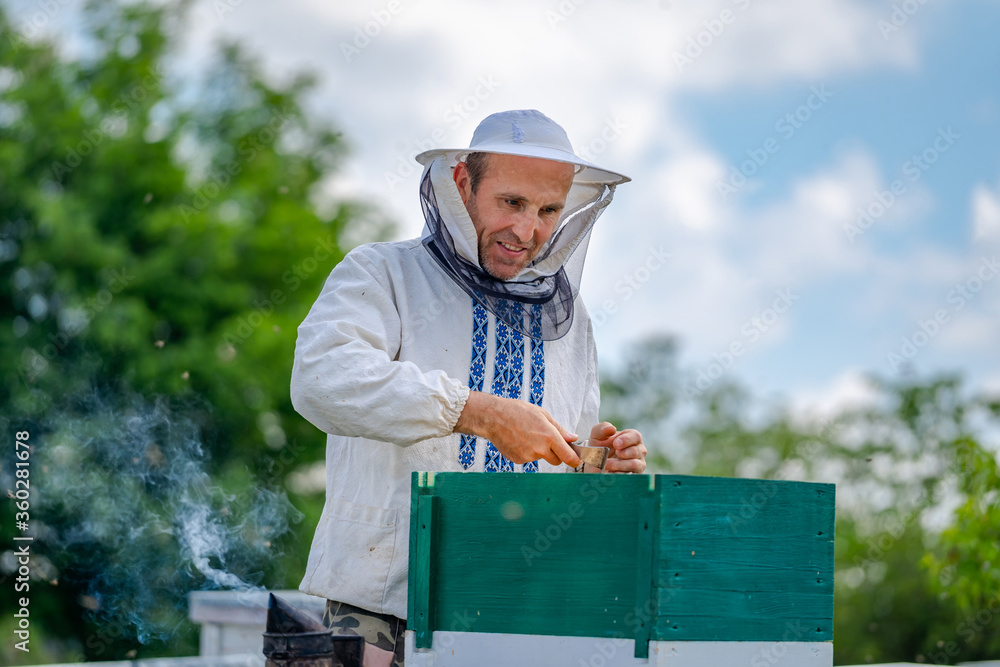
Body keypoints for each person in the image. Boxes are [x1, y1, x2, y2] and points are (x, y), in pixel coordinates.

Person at [290, 109, 646, 666]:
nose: (527, 231)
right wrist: (474, 411)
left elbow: (563, 481)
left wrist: (600, 466)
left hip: (520, 611)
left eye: (548, 209)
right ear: (462, 184)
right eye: (511, 202)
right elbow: (322, 378)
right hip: (383, 609)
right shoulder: (382, 272)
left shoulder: (575, 327)